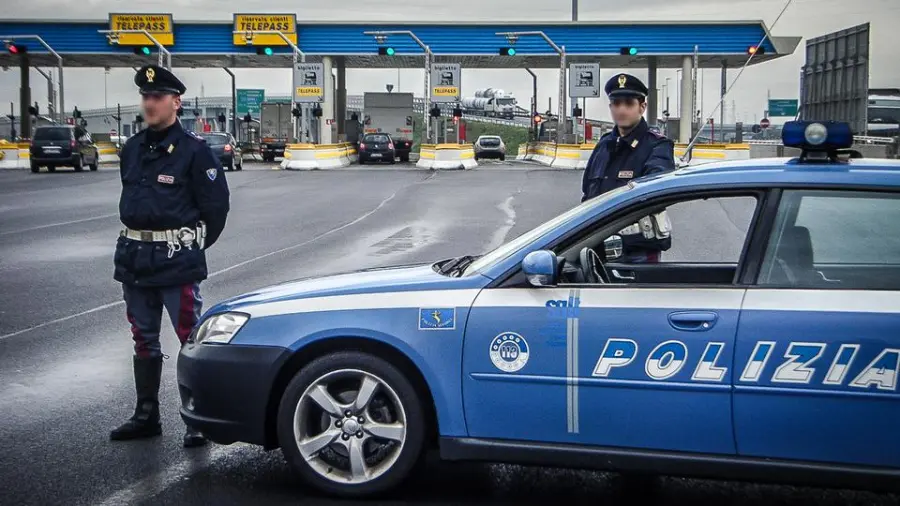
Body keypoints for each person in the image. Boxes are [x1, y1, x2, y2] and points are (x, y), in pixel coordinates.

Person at [110, 65, 230, 447]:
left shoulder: (195, 152)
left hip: (176, 261)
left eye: (157, 97)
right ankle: (146, 415)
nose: (149, 103)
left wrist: (189, 245)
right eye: (145, 97)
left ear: (175, 102)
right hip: (134, 259)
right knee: (143, 339)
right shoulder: (132, 149)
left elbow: (216, 209)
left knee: (189, 339)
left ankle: (197, 417)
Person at [582, 73, 676, 263]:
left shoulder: (657, 146)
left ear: (642, 107)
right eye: (616, 103)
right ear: (610, 107)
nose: (621, 109)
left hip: (637, 252)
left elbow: (656, 194)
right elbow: (587, 195)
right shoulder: (604, 145)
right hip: (599, 248)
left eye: (628, 103)